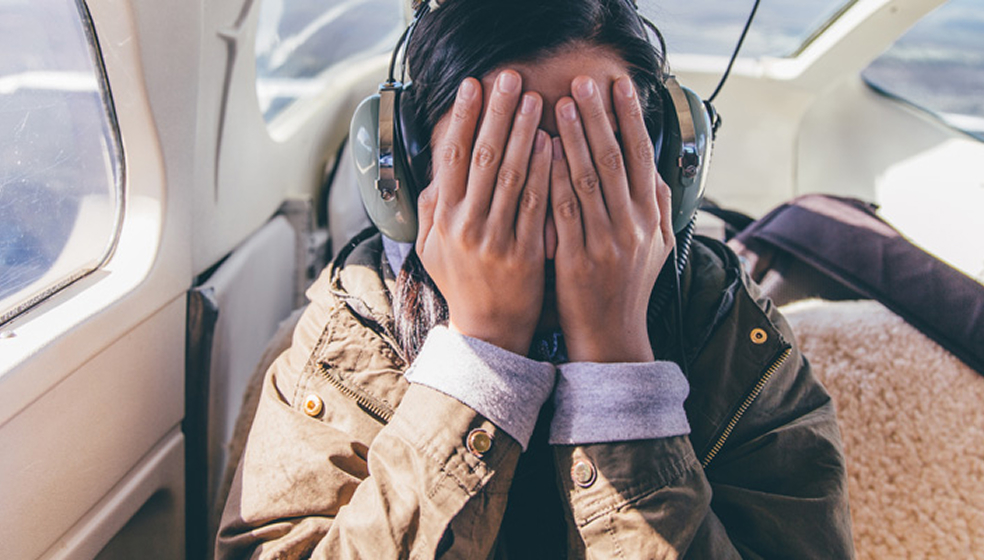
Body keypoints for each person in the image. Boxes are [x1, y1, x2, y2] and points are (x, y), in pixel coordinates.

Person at [216, 0, 854, 557]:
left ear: (663, 168)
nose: (554, 214)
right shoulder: (352, 333)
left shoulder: (730, 328)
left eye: (596, 165)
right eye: (498, 170)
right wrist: (477, 363)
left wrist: (619, 370)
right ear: (409, 177)